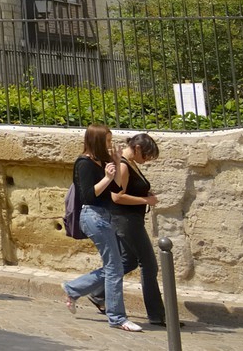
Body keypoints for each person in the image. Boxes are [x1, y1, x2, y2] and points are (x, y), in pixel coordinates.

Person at [62, 124, 141, 332]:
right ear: (96, 141)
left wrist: (115, 164)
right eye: (107, 141)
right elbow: (88, 196)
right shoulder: (84, 164)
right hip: (93, 217)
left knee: (114, 266)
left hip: (105, 216)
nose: (110, 144)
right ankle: (117, 317)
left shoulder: (101, 162)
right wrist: (106, 177)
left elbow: (116, 189)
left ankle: (73, 288)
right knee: (115, 267)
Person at [111, 133, 167, 327]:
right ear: (137, 149)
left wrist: (145, 192)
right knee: (149, 264)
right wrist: (146, 200)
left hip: (130, 219)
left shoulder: (130, 163)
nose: (148, 160)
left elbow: (132, 189)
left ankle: (96, 291)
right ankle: (157, 315)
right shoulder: (124, 165)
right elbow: (117, 197)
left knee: (127, 262)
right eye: (147, 155)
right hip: (126, 220)